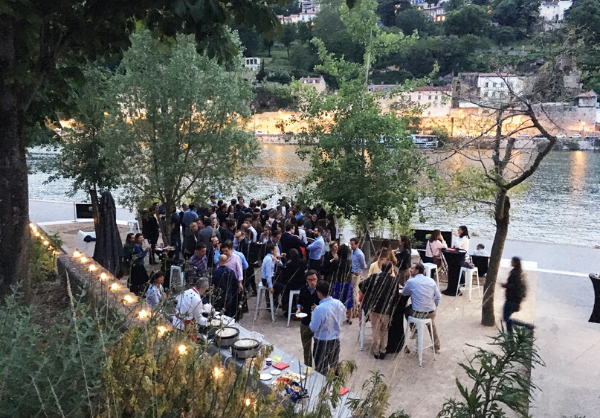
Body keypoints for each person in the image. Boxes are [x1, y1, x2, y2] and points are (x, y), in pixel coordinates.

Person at [360, 261, 400, 359]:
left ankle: (376, 351)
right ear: (390, 269)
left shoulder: (374, 277)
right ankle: (383, 350)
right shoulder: (394, 280)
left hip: (374, 308)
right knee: (384, 330)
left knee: (375, 330)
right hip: (386, 309)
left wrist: (368, 293)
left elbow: (361, 285)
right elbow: (396, 296)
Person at [401, 263, 442, 353]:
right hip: (431, 311)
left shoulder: (411, 282)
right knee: (432, 324)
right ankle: (437, 346)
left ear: (417, 270)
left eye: (412, 268)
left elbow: (404, 293)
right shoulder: (431, 280)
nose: (410, 270)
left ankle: (414, 330)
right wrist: (435, 305)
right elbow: (438, 296)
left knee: (407, 310)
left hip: (417, 312)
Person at [309, 280, 347, 375]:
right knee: (335, 367)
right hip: (334, 340)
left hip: (321, 342)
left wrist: (313, 314)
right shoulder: (339, 303)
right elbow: (343, 318)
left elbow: (313, 328)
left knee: (321, 370)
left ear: (318, 293)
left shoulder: (319, 309)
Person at [503, 257, 533, 333]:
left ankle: (525, 326)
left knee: (506, 318)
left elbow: (513, 285)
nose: (510, 262)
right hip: (517, 298)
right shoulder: (520, 273)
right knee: (507, 317)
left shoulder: (515, 273)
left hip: (512, 298)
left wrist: (505, 285)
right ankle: (510, 333)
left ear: (515, 263)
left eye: (512, 261)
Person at [296, 270, 320, 367]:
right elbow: (299, 302)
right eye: (310, 280)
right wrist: (298, 309)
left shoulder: (320, 290)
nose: (312, 282)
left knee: (318, 348)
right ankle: (308, 367)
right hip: (305, 322)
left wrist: (318, 307)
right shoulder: (303, 290)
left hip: (317, 323)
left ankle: (318, 367)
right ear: (306, 280)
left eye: (314, 279)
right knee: (306, 348)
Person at [278, 248, 307, 315]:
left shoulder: (289, 264)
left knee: (285, 289)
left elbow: (285, 276)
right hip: (302, 284)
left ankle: (288, 308)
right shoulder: (302, 262)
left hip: (293, 285)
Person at [330, 244, 354, 324]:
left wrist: (334, 259)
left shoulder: (336, 261)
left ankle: (336, 317)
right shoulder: (350, 261)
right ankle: (350, 318)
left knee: (336, 300)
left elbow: (332, 269)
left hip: (338, 282)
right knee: (348, 300)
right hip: (347, 283)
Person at [350, 237, 367, 317]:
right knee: (354, 292)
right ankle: (354, 309)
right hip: (352, 273)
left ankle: (355, 310)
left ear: (357, 244)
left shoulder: (359, 254)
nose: (351, 246)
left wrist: (360, 274)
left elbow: (363, 265)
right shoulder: (352, 252)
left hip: (356, 274)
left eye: (353, 244)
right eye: (351, 244)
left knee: (355, 293)